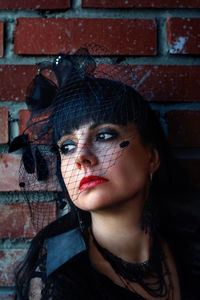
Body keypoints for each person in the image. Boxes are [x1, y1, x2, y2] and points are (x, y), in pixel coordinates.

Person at [9, 49, 200, 300]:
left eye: (104, 136)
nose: (81, 157)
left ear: (152, 157)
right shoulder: (58, 280)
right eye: (67, 146)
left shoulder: (190, 247)